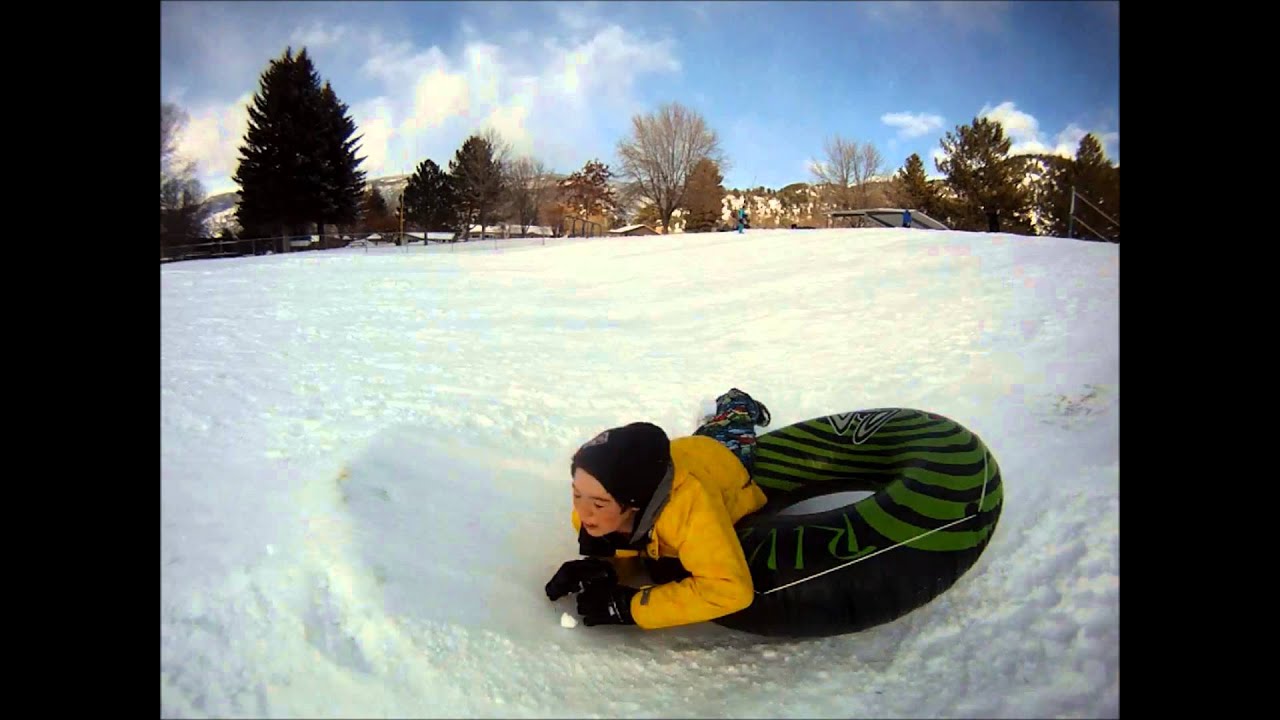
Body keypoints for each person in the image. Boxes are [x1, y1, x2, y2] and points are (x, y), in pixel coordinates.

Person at [545, 389, 772, 629]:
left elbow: (731, 588)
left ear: (633, 503)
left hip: (718, 458)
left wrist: (632, 607)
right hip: (678, 456)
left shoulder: (689, 510)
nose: (583, 511)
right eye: (577, 494)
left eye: (599, 503)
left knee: (731, 430)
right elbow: (629, 541)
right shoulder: (590, 516)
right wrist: (604, 567)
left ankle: (736, 403)